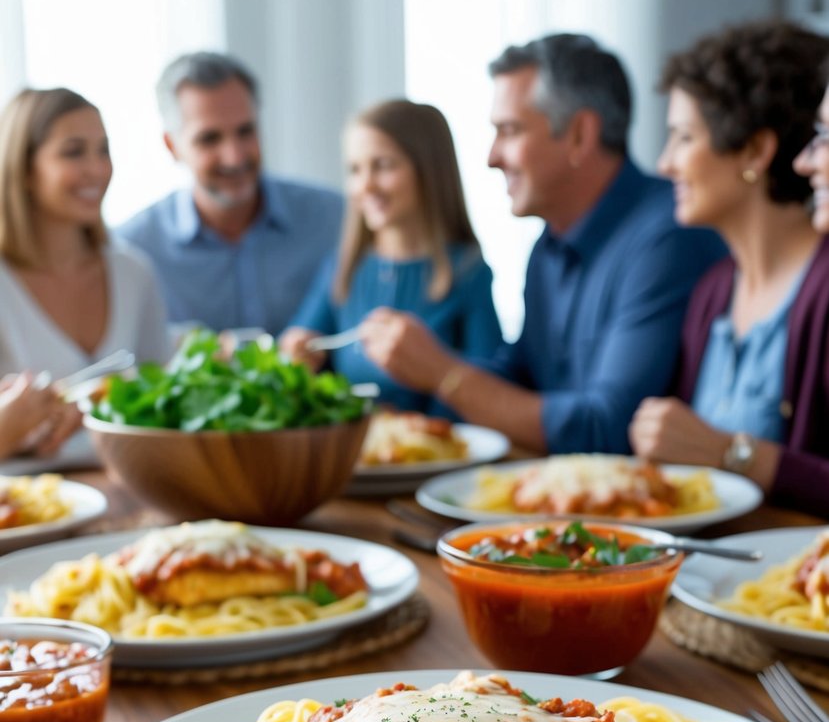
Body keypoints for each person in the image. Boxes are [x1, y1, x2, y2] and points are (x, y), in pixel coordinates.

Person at [354, 33, 724, 454]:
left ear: (580, 135)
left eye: (509, 131)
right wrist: (422, 371)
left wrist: (444, 374)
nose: (492, 157)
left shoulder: (668, 240)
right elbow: (521, 375)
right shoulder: (548, 246)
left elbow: (607, 428)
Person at [628, 21, 829, 515]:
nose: (664, 163)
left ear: (754, 150)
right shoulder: (713, 291)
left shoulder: (823, 289)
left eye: (683, 137)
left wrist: (730, 454)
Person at [280, 99, 501, 413]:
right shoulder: (343, 268)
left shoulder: (468, 272)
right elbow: (295, 350)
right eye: (355, 169)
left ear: (428, 170)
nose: (365, 185)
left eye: (383, 165)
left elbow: (492, 394)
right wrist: (294, 354)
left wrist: (436, 373)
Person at [118, 52, 343, 339]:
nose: (234, 157)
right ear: (172, 146)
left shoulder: (334, 219)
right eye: (209, 139)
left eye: (245, 131)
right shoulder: (134, 251)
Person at [0, 87, 168, 460]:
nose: (97, 169)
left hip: (127, 490)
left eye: (103, 150)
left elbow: (163, 406)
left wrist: (108, 398)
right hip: (22, 506)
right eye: (74, 152)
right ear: (24, 169)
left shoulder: (133, 273)